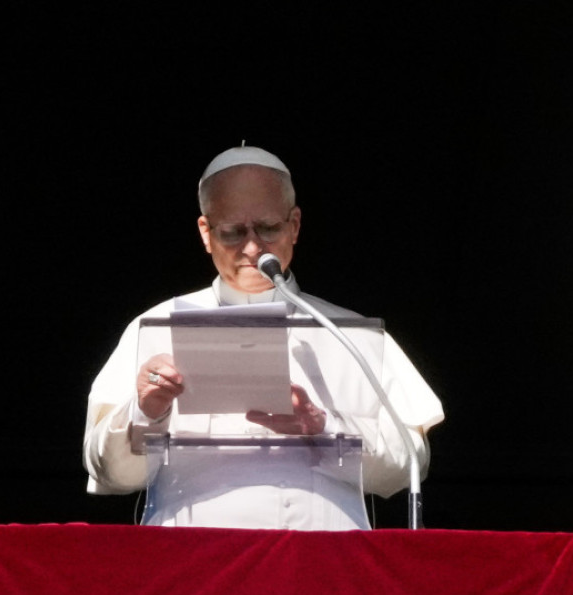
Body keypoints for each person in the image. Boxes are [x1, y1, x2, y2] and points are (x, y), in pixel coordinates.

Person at [83, 145, 443, 529]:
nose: (253, 248)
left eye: (268, 228)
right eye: (233, 232)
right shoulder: (154, 327)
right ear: (205, 232)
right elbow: (110, 474)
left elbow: (408, 465)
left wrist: (324, 429)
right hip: (193, 566)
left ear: (295, 226)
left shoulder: (349, 333)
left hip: (322, 567)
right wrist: (146, 412)